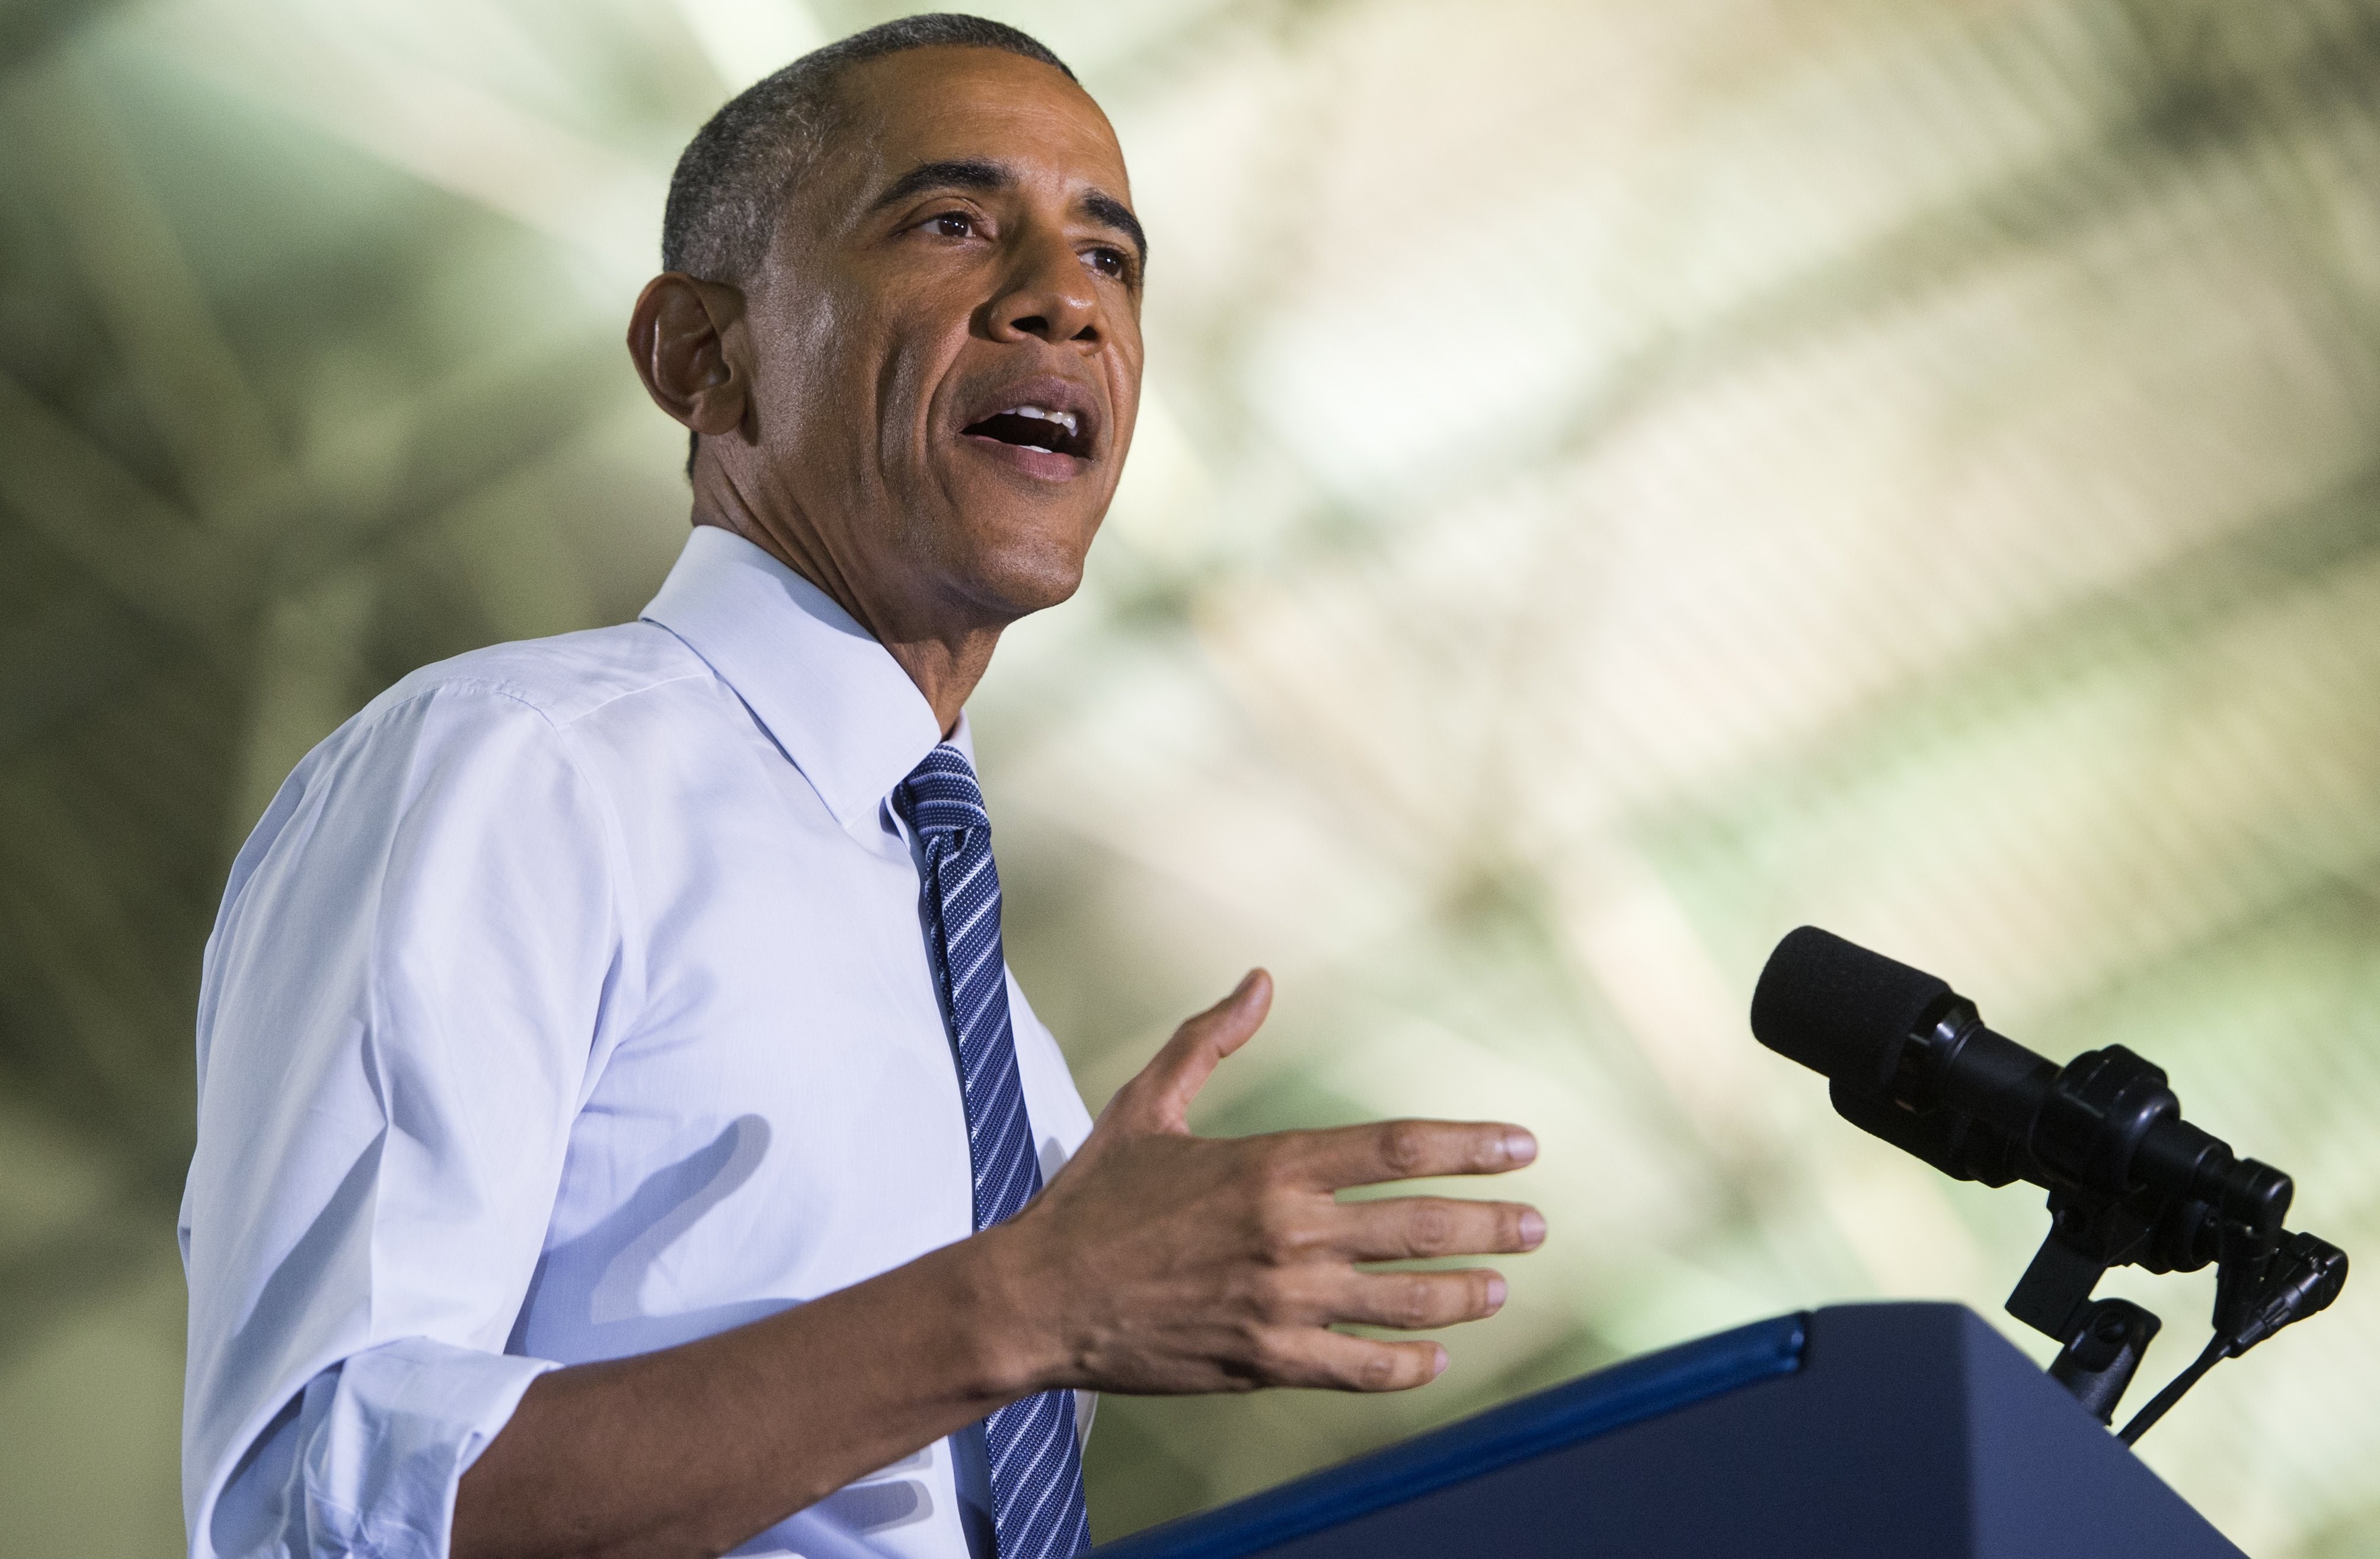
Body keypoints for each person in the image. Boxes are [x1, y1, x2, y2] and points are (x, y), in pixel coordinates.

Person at [178, 15, 1545, 1559]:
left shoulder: (1004, 1046)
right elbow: (319, 1500)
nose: (1065, 304)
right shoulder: (520, 773)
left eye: (1115, 261)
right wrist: (1033, 1301)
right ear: (701, 354)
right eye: (954, 225)